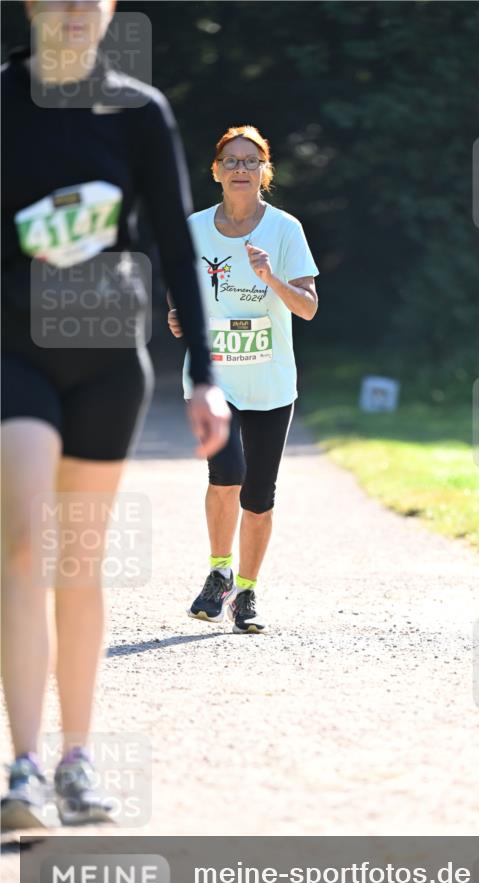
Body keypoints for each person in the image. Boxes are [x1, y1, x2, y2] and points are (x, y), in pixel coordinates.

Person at [1, 0, 230, 830]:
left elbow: (177, 247)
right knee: (27, 541)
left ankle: (76, 761)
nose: (70, 12)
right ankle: (22, 769)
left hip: (107, 363)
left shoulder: (140, 111)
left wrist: (205, 375)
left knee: (79, 562)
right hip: (13, 355)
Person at [168, 125, 319, 634]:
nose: (240, 168)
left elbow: (309, 308)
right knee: (225, 476)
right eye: (230, 161)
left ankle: (247, 593)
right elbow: (182, 295)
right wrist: (178, 316)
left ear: (264, 172)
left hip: (271, 383)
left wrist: (271, 278)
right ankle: (218, 574)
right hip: (215, 380)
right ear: (215, 171)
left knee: (259, 497)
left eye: (250, 161)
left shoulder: (285, 230)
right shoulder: (192, 229)